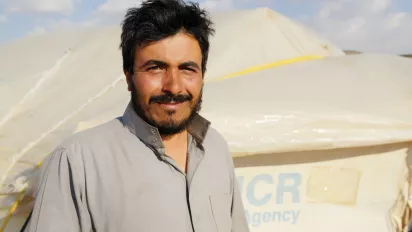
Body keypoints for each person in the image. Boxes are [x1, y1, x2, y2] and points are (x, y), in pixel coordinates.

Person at [22, 0, 250, 231]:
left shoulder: (215, 148)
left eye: (187, 69)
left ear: (202, 75)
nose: (173, 86)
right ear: (129, 77)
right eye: (156, 68)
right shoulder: (76, 162)